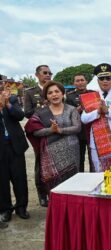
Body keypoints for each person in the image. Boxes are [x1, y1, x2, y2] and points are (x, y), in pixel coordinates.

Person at [25, 81, 80, 193]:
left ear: (62, 93)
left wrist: (60, 130)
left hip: (71, 150)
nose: (54, 94)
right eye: (50, 93)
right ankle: (57, 208)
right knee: (55, 184)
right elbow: (34, 131)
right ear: (46, 97)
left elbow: (77, 127)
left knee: (72, 182)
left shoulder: (71, 109)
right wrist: (51, 130)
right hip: (51, 153)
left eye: (57, 91)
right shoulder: (41, 112)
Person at [81, 63, 111, 172]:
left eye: (108, 78)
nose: (105, 81)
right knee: (99, 172)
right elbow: (84, 119)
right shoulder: (91, 97)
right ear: (97, 80)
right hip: (97, 141)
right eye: (102, 78)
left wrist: (107, 112)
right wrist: (97, 112)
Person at [24, 65, 52, 207]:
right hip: (39, 133)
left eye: (50, 73)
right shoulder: (30, 92)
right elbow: (27, 113)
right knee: (41, 164)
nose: (48, 75)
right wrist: (42, 106)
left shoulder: (54, 89)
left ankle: (53, 191)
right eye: (45, 73)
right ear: (37, 75)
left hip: (54, 131)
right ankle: (42, 194)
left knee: (55, 163)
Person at [0, 89, 29, 222]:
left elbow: (20, 115)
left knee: (20, 178)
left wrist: (7, 104)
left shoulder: (11, 99)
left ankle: (21, 207)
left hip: (15, 145)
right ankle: (6, 209)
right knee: (2, 180)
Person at [65, 73, 94, 172]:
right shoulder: (69, 97)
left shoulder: (93, 94)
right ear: (74, 83)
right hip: (78, 132)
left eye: (82, 80)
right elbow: (67, 115)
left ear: (86, 81)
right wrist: (79, 109)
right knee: (79, 159)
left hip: (92, 130)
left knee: (93, 159)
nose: (80, 82)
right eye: (77, 81)